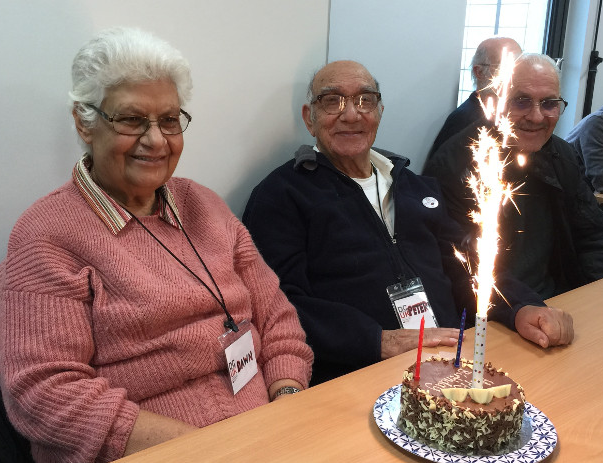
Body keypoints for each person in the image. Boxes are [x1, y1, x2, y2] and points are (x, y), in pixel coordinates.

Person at [0, 27, 313, 463]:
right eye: (131, 120)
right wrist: (212, 451)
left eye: (169, 120)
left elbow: (278, 318)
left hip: (265, 440)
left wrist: (288, 398)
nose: (156, 140)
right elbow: (43, 393)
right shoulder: (46, 235)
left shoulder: (205, 205)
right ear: (84, 121)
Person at [243, 60, 573, 386]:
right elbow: (279, 305)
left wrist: (522, 306)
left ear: (379, 112)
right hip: (360, 374)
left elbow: (467, 264)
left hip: (449, 360)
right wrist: (378, 340)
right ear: (309, 119)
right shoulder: (281, 196)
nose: (351, 113)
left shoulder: (415, 187)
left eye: (365, 100)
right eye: (332, 101)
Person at [424, 53, 603, 301]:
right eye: (521, 101)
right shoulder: (457, 165)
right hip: (493, 315)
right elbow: (461, 267)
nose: (537, 116)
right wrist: (523, 309)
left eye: (549, 103)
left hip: (560, 302)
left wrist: (599, 296)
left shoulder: (562, 156)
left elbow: (595, 233)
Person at [426, 37, 522, 160]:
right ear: (479, 72)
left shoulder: (509, 112)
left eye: (520, 64)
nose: (516, 72)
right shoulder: (465, 120)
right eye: (506, 65)